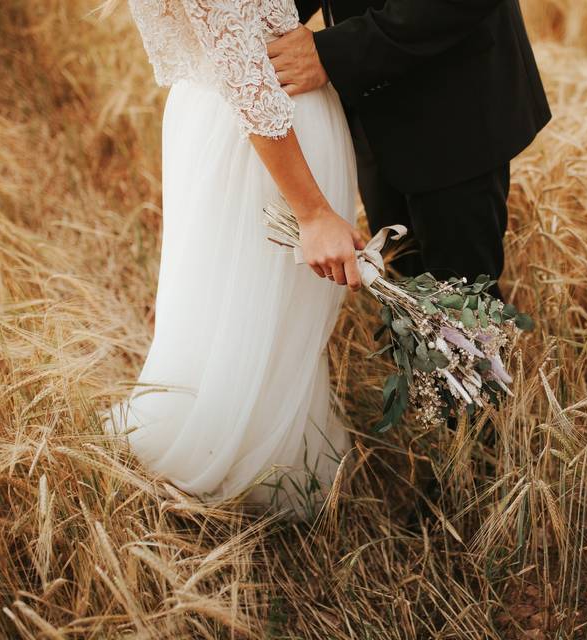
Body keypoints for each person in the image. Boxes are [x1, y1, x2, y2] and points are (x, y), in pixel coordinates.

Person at [106, 0, 364, 510]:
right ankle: (235, 464)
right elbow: (243, 67)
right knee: (251, 305)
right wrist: (313, 213)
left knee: (243, 304)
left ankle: (267, 449)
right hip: (259, 139)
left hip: (236, 120)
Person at [268, 0, 551, 298]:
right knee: (403, 294)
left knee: (462, 307)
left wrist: (334, 53)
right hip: (372, 110)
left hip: (456, 106)